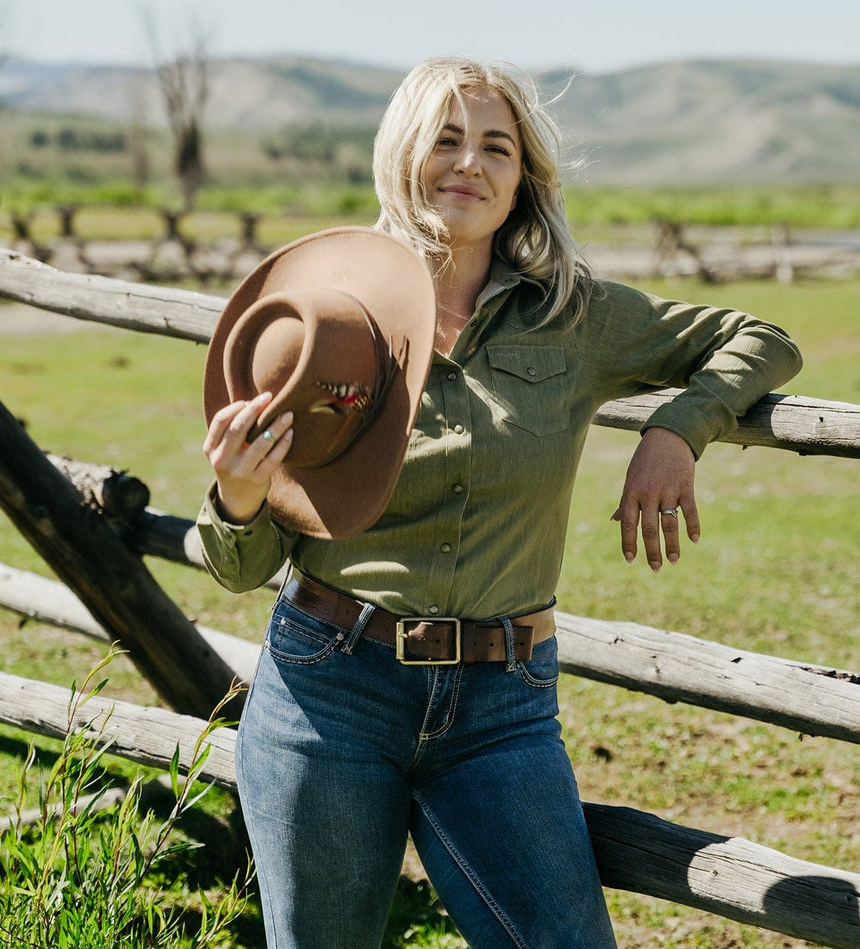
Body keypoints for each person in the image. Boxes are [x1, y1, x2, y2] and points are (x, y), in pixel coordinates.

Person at [198, 57, 803, 949]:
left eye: (496, 147)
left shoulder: (574, 314)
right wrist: (240, 495)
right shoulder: (329, 320)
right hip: (329, 689)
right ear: (403, 154)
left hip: (501, 705)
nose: (468, 165)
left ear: (525, 178)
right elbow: (240, 566)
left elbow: (764, 339)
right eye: (445, 140)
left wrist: (677, 429)